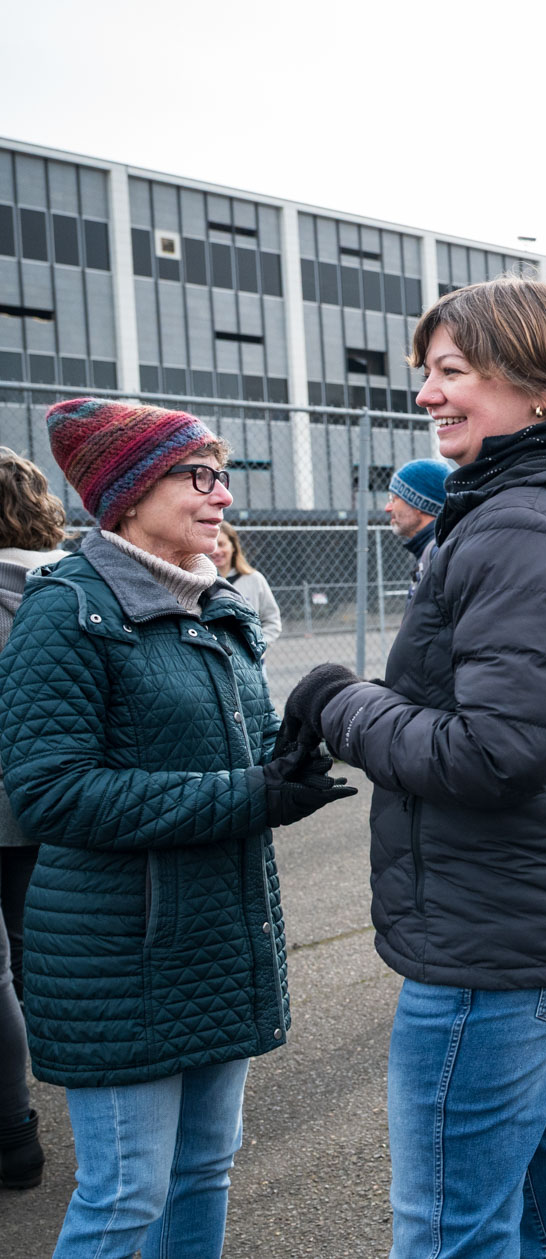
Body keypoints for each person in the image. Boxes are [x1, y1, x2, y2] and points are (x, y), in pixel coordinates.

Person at [284, 278, 546, 1256]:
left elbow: (494, 751)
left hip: (494, 939)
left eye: (451, 371)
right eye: (427, 372)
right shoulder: (536, 512)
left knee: (450, 1235)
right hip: (538, 920)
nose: (425, 394)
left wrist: (340, 702)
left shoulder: (522, 526)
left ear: (539, 389)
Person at [0, 399, 354, 1254]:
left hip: (215, 940)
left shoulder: (216, 602)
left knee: (205, 1169)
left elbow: (249, 749)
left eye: (221, 475)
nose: (221, 496)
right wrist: (251, 793)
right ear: (125, 495)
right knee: (124, 1193)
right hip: (118, 955)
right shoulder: (67, 612)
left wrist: (303, 744)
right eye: (198, 476)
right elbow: (51, 793)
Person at [0, 446, 70, 1193]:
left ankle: (14, 1127)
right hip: (49, 795)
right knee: (32, 946)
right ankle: (77, 1082)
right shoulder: (68, 577)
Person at [384, 455, 452, 590]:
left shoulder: (440, 558)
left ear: (419, 504)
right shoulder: (433, 554)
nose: (387, 508)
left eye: (394, 499)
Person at [211, 521, 282, 646]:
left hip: (251, 662)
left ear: (233, 547)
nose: (216, 551)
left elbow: (272, 622)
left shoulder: (254, 579)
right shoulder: (199, 582)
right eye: (212, 545)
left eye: (221, 544)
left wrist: (256, 647)